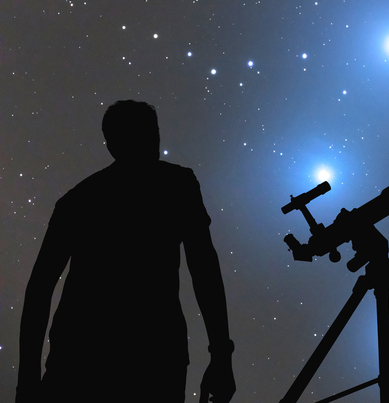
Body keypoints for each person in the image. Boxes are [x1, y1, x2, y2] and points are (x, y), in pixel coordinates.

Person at [17, 100, 236, 403]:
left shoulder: (78, 201)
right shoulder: (177, 184)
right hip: (154, 356)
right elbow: (204, 267)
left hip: (81, 357)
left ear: (110, 144)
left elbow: (39, 289)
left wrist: (27, 381)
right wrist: (221, 354)